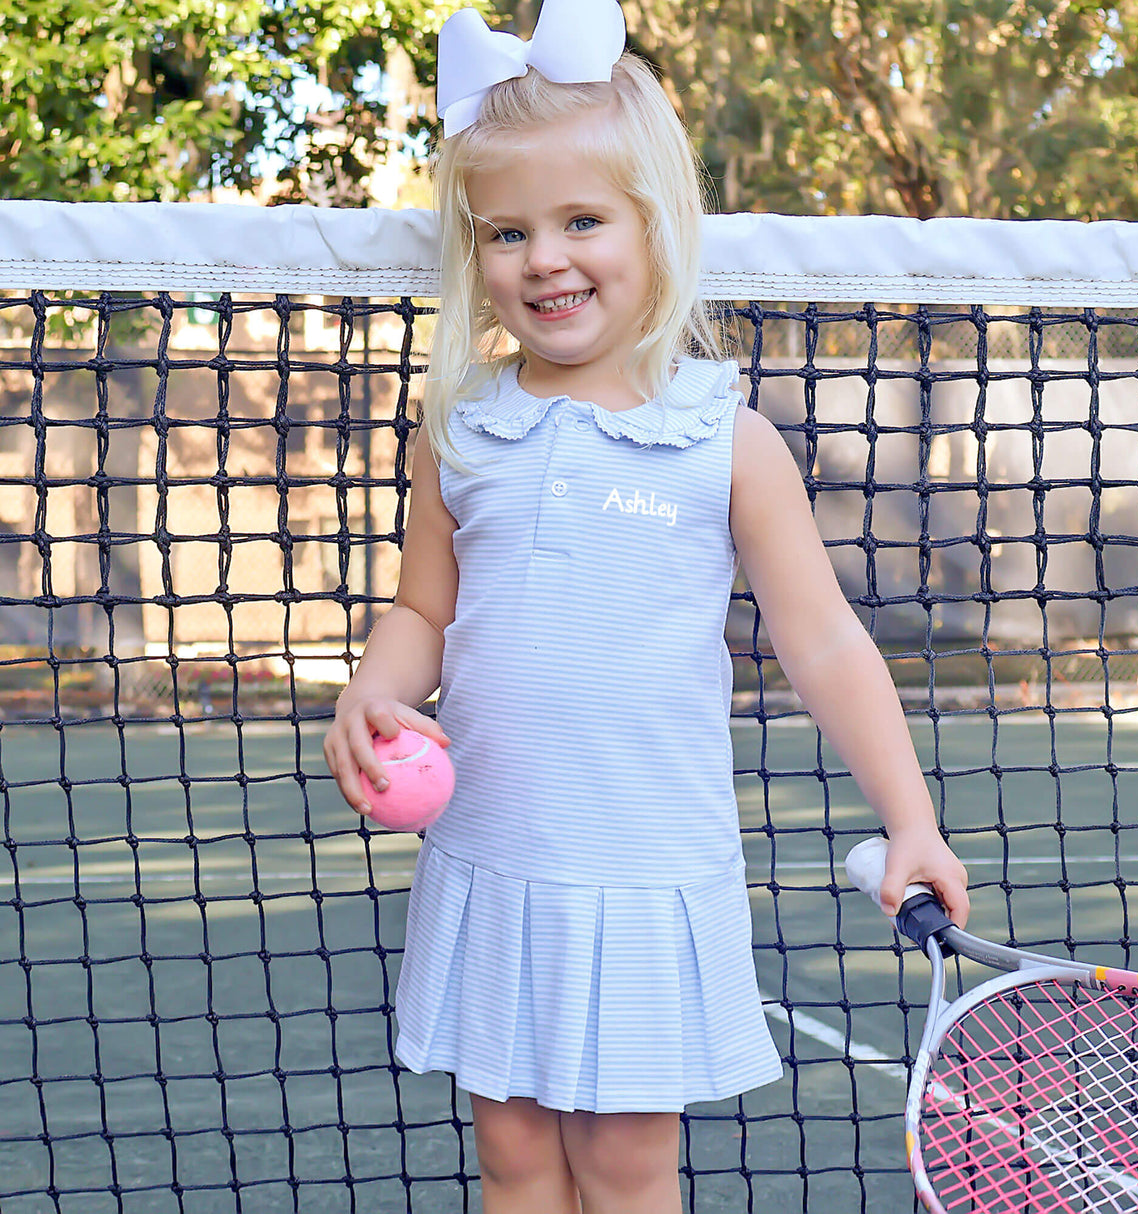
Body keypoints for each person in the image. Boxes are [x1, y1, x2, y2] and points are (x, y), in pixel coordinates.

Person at [322, 1, 970, 1210]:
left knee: (623, 1167)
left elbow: (824, 643)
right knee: (512, 1158)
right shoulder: (460, 431)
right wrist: (374, 685)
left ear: (653, 226)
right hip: (492, 859)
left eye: (581, 221)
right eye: (506, 231)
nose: (544, 258)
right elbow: (421, 609)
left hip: (641, 868)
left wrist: (911, 815)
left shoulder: (725, 440)